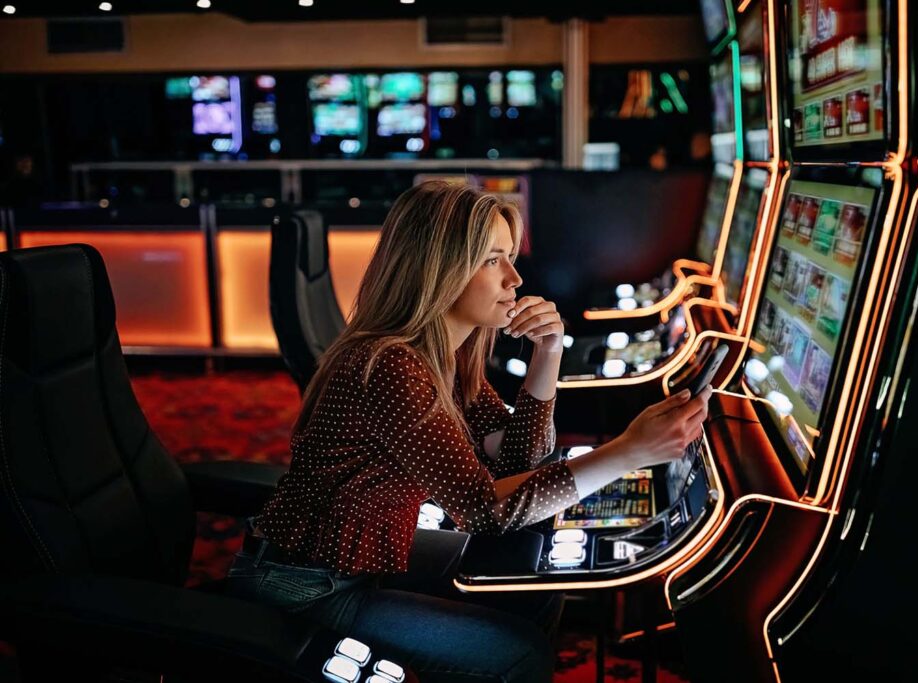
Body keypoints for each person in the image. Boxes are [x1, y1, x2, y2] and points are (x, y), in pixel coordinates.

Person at [225, 181, 711, 683]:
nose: (515, 278)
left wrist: (547, 355)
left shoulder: (448, 355)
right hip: (306, 584)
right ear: (439, 270)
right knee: (519, 654)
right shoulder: (392, 366)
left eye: (510, 257)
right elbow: (485, 509)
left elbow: (520, 457)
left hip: (365, 554)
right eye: (492, 260)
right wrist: (629, 452)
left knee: (532, 577)